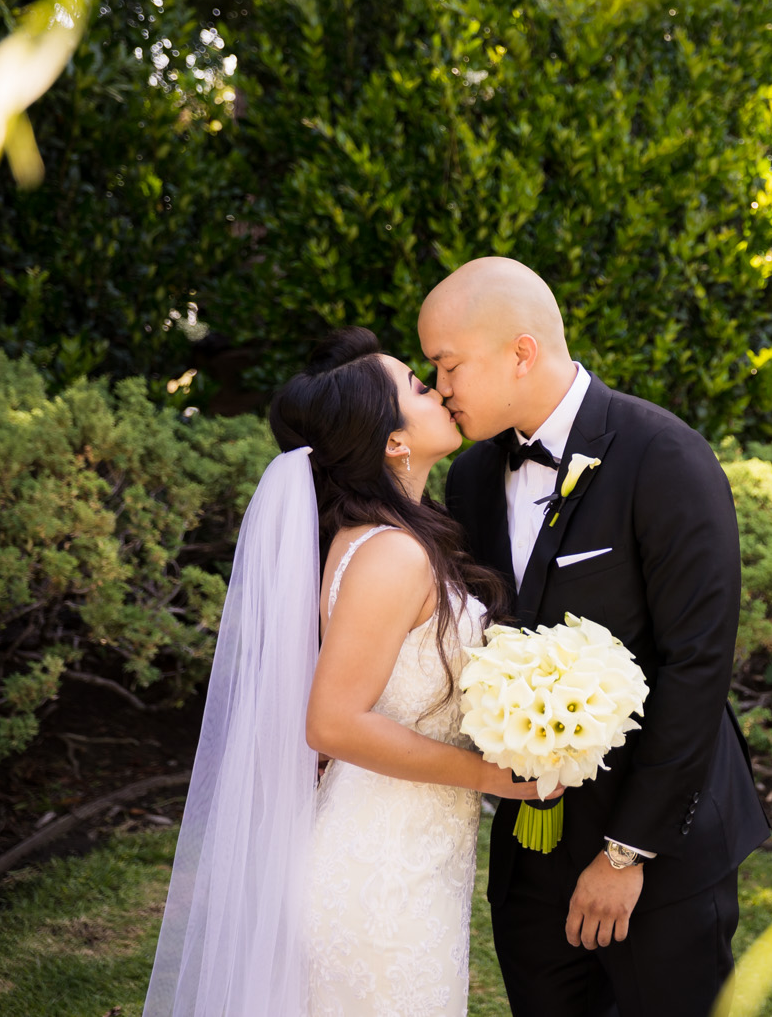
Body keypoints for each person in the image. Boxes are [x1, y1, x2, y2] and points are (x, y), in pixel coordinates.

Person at [144, 328, 547, 1017]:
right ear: (394, 441)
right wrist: (494, 777)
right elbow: (332, 721)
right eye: (419, 388)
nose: (439, 387)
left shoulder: (376, 537)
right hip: (377, 877)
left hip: (404, 854)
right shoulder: (393, 554)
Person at [421, 256, 770, 1017]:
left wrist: (626, 852)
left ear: (521, 351)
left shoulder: (666, 457)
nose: (439, 387)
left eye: (447, 364)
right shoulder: (472, 480)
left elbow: (698, 662)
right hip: (531, 853)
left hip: (660, 854)